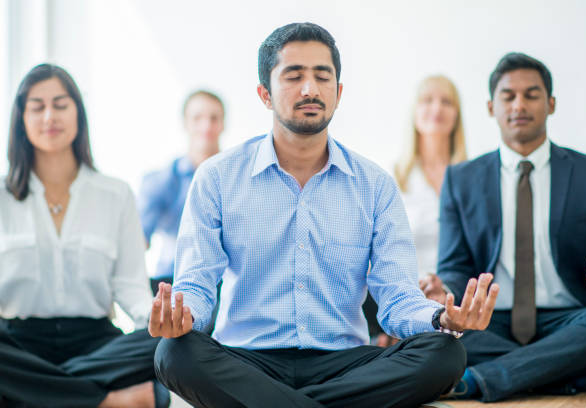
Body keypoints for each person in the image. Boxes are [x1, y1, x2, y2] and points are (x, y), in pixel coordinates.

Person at [149, 22, 499, 408]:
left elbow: (397, 297)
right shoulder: (217, 177)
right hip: (245, 359)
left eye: (322, 76)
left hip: (344, 363)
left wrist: (442, 320)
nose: (310, 89)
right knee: (173, 353)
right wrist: (183, 318)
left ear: (338, 92)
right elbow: (196, 285)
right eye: (294, 76)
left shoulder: (375, 185)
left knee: (445, 353)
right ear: (265, 94)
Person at [423, 52, 586, 402]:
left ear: (551, 103)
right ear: (491, 107)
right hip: (489, 322)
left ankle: (477, 381)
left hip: (570, 318)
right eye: (508, 96)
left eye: (532, 94)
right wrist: (443, 290)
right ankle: (574, 374)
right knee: (434, 334)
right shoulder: (461, 179)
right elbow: (453, 265)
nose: (519, 105)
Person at [0, 64, 169, 408]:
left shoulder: (116, 193)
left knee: (179, 343)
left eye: (61, 105)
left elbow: (131, 286)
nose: (50, 116)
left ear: (78, 113)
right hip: (19, 343)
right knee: (154, 396)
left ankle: (35, 392)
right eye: (38, 106)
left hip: (96, 344)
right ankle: (104, 400)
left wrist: (157, 322)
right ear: (21, 119)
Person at [370, 75, 468, 346]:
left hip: (456, 295)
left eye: (446, 102)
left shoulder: (473, 179)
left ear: (456, 115)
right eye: (427, 100)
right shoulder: (391, 178)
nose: (436, 108)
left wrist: (444, 290)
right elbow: (379, 256)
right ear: (414, 113)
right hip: (405, 295)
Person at [138, 90, 224, 295]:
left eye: (214, 118)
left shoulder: (240, 179)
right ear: (185, 124)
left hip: (226, 284)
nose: (206, 126)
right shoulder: (160, 181)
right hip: (172, 282)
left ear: (223, 124)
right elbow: (137, 241)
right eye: (197, 118)